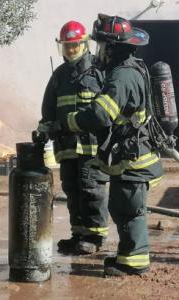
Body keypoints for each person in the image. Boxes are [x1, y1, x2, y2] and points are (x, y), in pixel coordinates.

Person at [61, 14, 163, 276]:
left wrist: (72, 121)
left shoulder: (122, 77)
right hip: (132, 155)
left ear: (113, 47)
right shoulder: (130, 69)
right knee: (124, 207)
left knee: (128, 209)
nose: (99, 52)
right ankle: (128, 257)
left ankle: (132, 263)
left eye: (102, 46)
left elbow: (99, 114)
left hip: (134, 158)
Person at [37, 20, 109, 254]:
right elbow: (48, 110)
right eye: (67, 46)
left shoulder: (99, 72)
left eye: (75, 45)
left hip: (92, 147)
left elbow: (107, 111)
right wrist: (44, 131)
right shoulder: (59, 76)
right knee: (72, 189)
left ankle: (95, 237)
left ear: (84, 44)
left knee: (91, 189)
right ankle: (78, 234)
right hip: (67, 146)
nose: (70, 50)